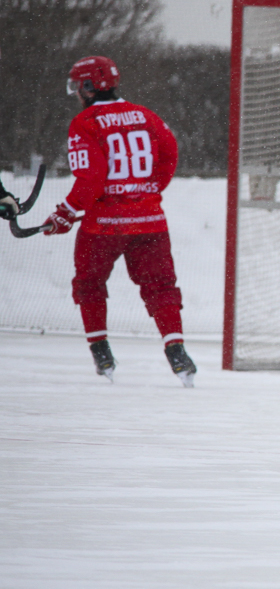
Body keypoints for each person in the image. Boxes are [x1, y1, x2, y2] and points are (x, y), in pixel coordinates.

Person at [41, 56, 195, 386]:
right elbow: (170, 153)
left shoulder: (85, 122)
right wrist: (146, 191)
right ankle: (177, 352)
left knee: (89, 283)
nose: (76, 93)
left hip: (103, 226)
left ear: (88, 86)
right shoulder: (147, 115)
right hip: (150, 221)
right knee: (161, 286)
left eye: (77, 86)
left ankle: (101, 352)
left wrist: (65, 212)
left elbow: (92, 177)